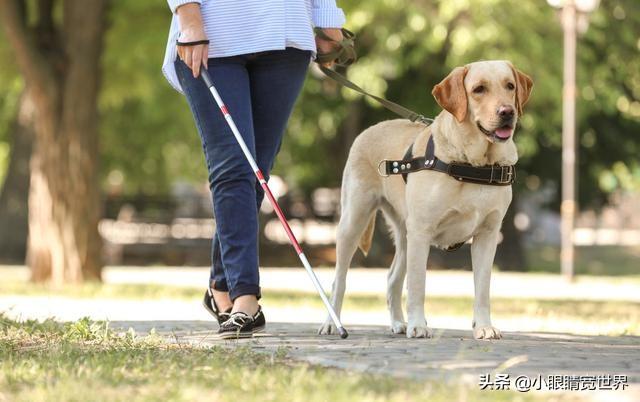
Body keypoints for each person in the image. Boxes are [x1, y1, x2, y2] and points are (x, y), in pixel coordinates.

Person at [162, 0, 346, 339]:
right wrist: (189, 19)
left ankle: (221, 284)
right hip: (213, 33)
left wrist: (330, 24)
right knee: (234, 166)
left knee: (255, 173)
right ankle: (245, 299)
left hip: (286, 34)